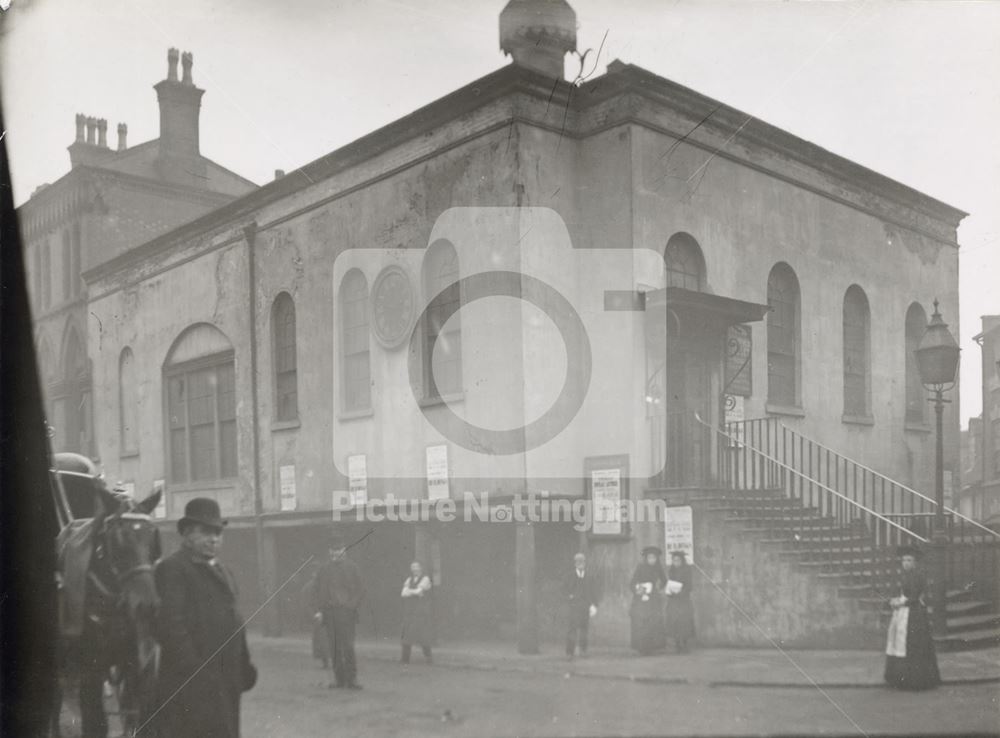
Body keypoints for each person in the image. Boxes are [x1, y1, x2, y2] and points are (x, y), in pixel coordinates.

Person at [154, 498, 257, 738]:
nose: (214, 538)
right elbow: (170, 626)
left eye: (218, 533)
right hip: (190, 683)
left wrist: (244, 662)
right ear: (187, 534)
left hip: (225, 679)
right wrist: (195, 673)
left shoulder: (223, 571)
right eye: (206, 532)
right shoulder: (173, 568)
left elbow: (235, 621)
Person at [884, 546, 940, 691]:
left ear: (915, 562)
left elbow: (914, 597)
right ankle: (902, 679)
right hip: (905, 612)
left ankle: (916, 680)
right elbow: (906, 594)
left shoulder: (918, 575)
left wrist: (900, 602)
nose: (905, 563)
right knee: (902, 645)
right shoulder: (906, 575)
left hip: (914, 614)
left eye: (909, 560)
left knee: (913, 645)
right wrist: (896, 600)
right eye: (904, 560)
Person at [313, 533, 365, 689]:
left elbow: (361, 590)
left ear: (345, 550)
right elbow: (317, 590)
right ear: (330, 552)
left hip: (347, 613)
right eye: (334, 550)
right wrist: (319, 610)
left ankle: (352, 679)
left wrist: (351, 605)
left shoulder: (353, 568)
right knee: (334, 647)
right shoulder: (324, 569)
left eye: (340, 549)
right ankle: (339, 679)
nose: (337, 552)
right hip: (329, 612)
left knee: (348, 646)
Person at [629, 546, 667, 655]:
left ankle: (652, 647)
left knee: (653, 622)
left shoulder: (658, 568)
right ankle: (642, 647)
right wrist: (639, 589)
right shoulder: (640, 567)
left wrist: (658, 589)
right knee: (641, 623)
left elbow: (664, 580)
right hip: (640, 599)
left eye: (654, 558)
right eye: (649, 558)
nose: (652, 560)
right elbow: (632, 583)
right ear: (646, 558)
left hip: (653, 599)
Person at [563, 552, 599, 660]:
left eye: (582, 562)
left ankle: (583, 650)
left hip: (585, 606)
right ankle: (570, 652)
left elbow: (594, 592)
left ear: (585, 563)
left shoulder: (590, 576)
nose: (580, 564)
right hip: (574, 607)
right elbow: (563, 590)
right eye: (578, 562)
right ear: (575, 564)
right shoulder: (569, 576)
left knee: (584, 629)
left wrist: (594, 604)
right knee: (572, 629)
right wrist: (569, 596)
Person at [400, 561, 434, 664]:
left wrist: (410, 591)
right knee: (406, 635)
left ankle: (429, 658)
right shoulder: (409, 579)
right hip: (410, 611)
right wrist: (414, 592)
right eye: (413, 567)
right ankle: (405, 659)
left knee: (423, 636)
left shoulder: (426, 579)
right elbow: (403, 594)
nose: (414, 569)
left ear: (421, 568)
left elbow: (419, 592)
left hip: (421, 612)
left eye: (416, 567)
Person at [665, 551, 696, 653]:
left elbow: (689, 586)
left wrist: (681, 592)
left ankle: (685, 643)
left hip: (684, 600)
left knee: (685, 622)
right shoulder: (672, 571)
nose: (676, 562)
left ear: (682, 561)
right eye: (674, 560)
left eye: (678, 560)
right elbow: (669, 584)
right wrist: (669, 591)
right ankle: (677, 643)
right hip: (674, 601)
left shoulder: (687, 571)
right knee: (675, 622)